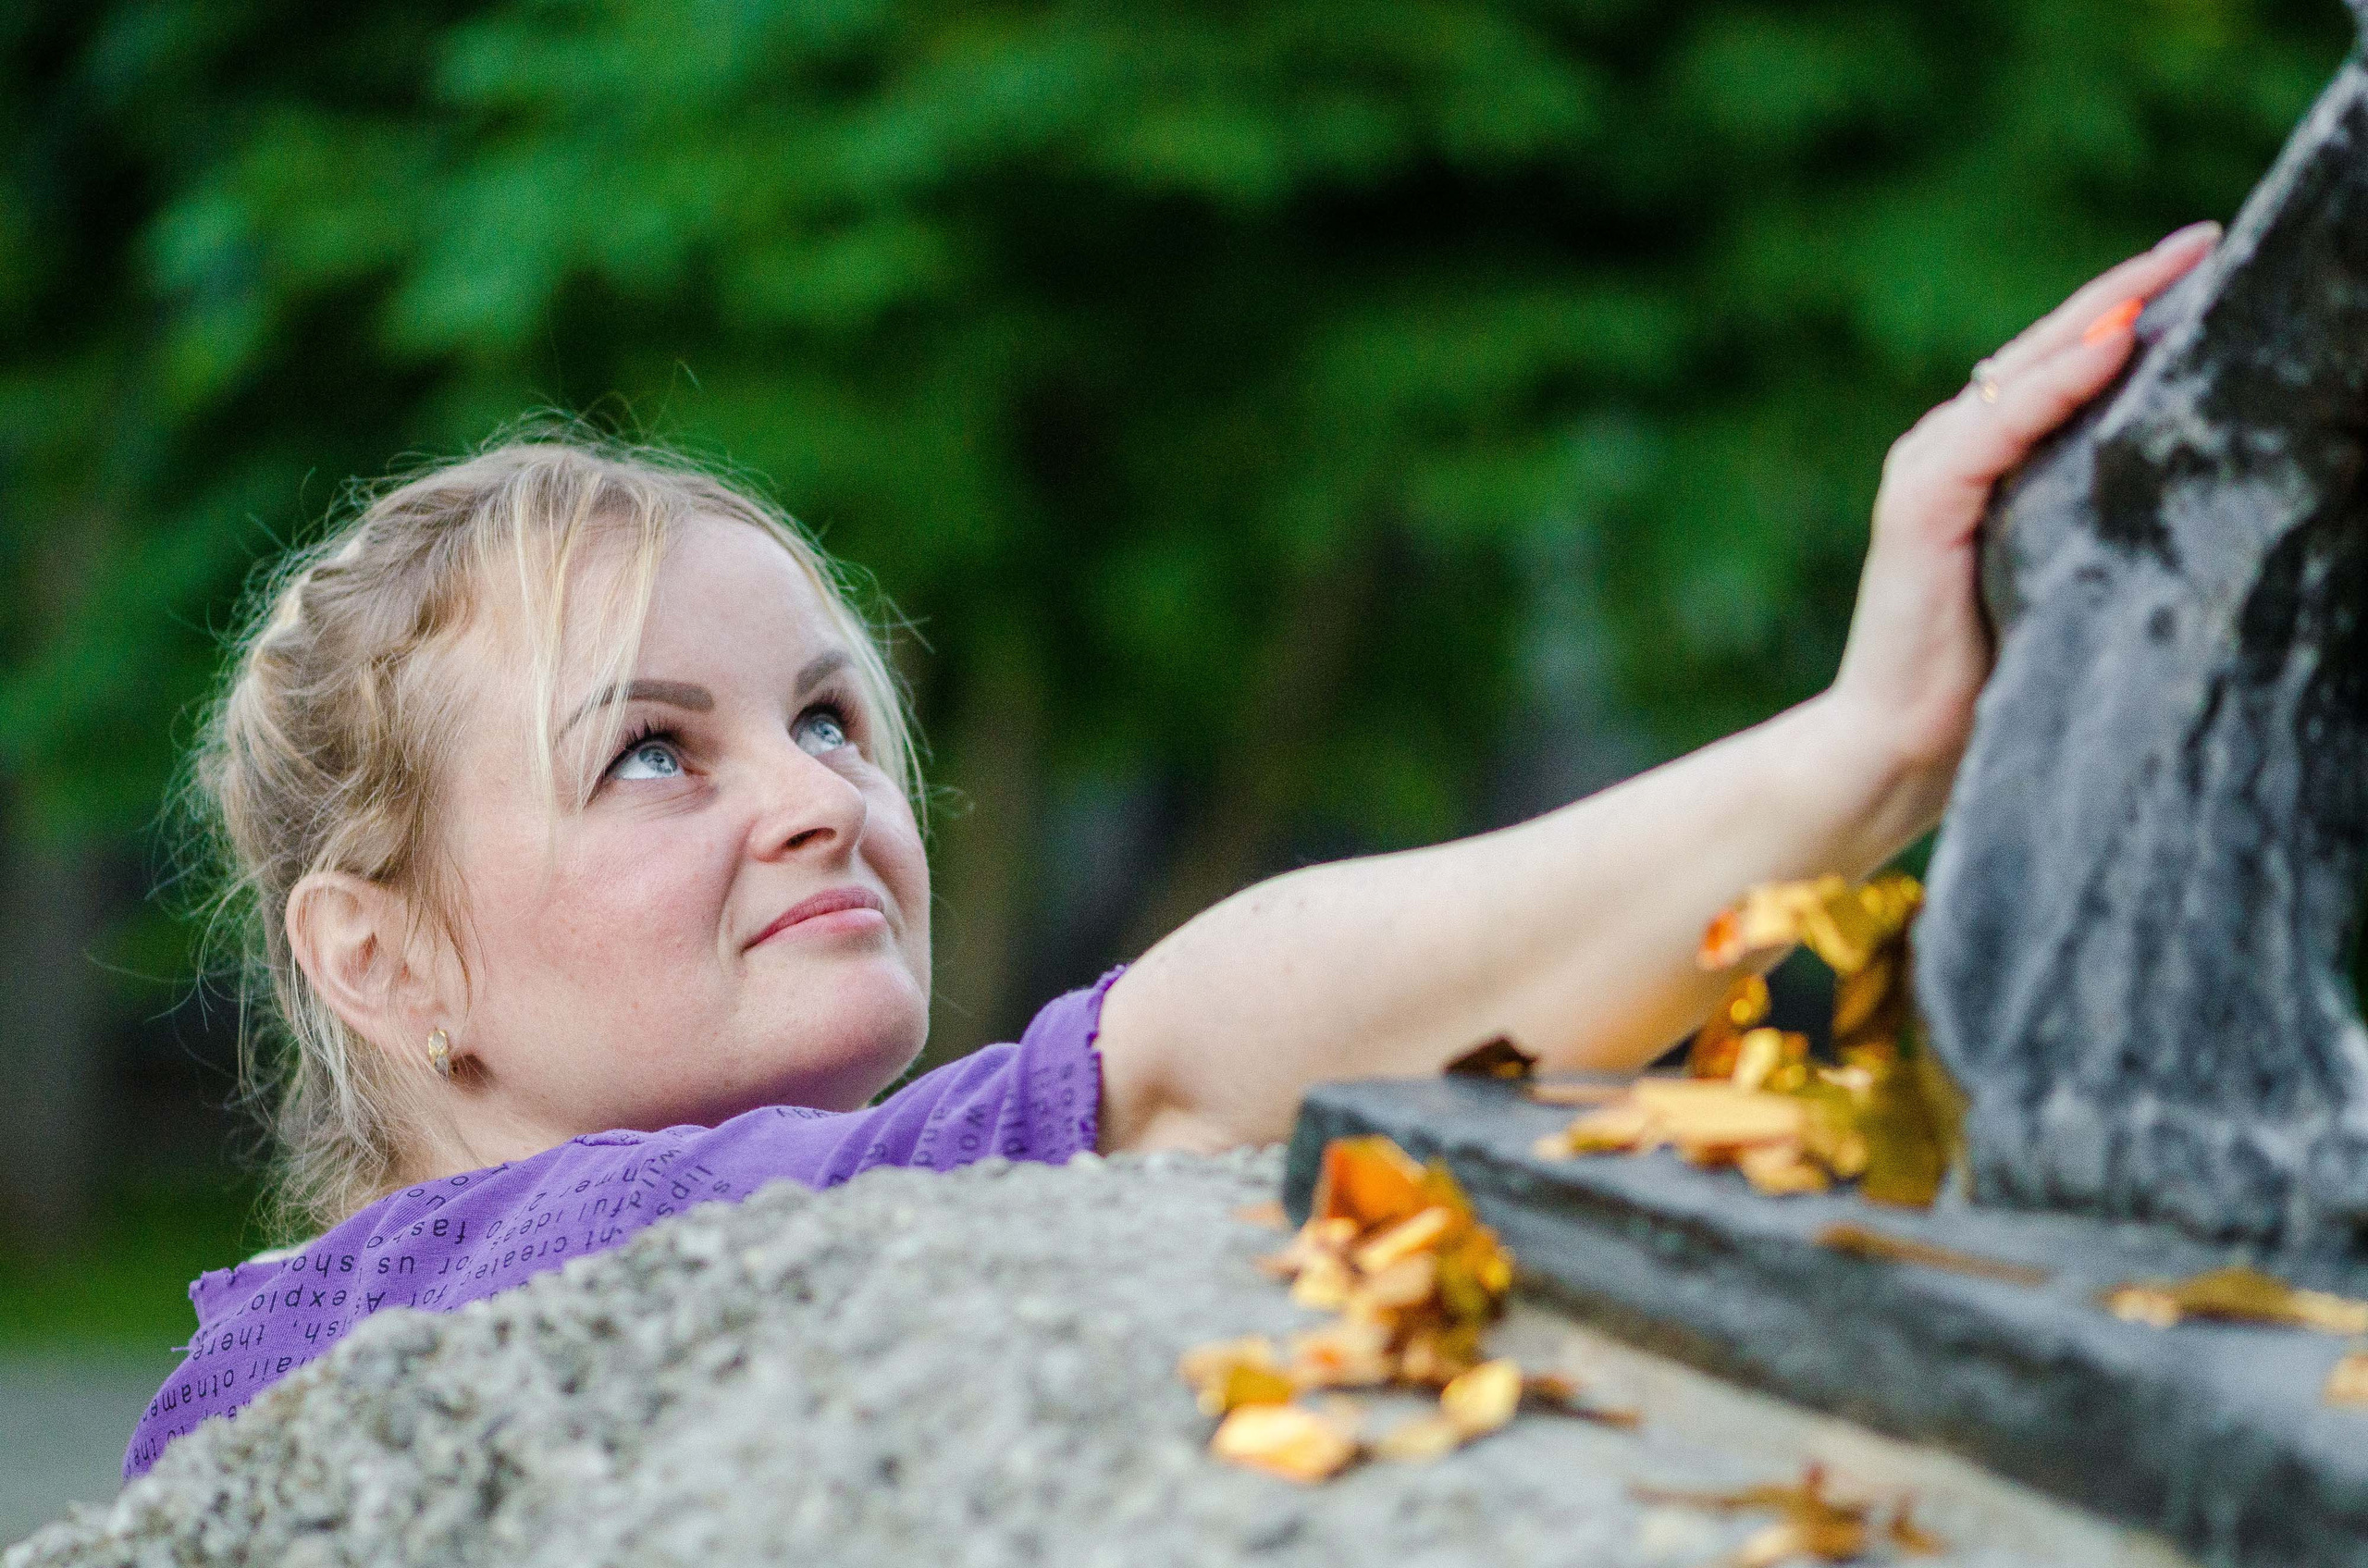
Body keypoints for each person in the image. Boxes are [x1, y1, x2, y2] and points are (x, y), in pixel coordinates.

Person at [122, 222, 2221, 1478]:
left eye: (830, 716)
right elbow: (1191, 1062)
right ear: (383, 959)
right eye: (652, 755)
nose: (816, 797)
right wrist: (1867, 742)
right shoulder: (459, 1286)